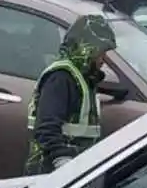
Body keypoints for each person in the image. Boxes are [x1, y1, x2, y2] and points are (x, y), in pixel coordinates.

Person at [26, 13, 118, 173]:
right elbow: (47, 127)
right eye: (100, 52)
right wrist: (62, 161)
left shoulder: (84, 78)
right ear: (85, 48)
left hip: (74, 171)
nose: (103, 58)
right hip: (51, 171)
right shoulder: (61, 78)